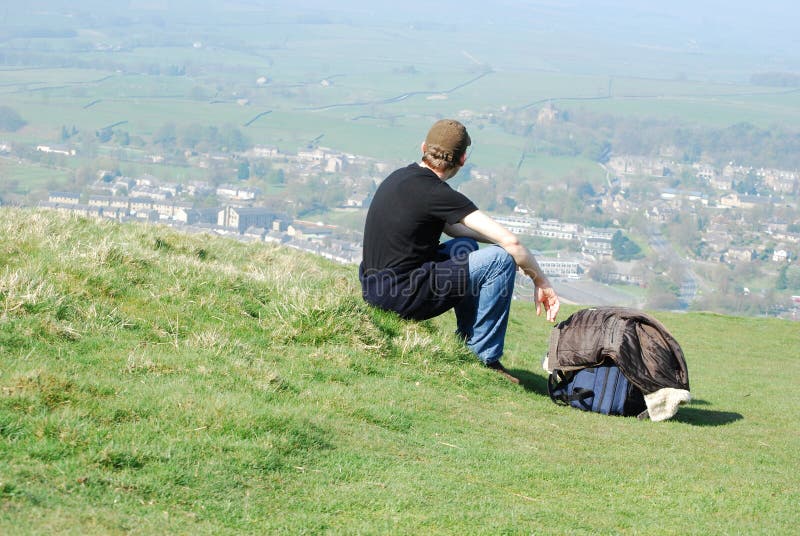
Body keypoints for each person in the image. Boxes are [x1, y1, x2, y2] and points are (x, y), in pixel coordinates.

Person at [359, 119, 560, 383]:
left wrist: (497, 243)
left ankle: (468, 339)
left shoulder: (402, 178)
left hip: (377, 289)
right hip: (399, 296)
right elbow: (513, 244)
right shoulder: (435, 192)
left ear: (424, 147)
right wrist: (540, 280)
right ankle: (483, 358)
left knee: (466, 248)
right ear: (463, 159)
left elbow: (454, 230)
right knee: (500, 260)